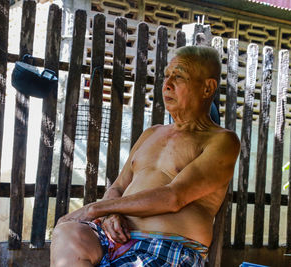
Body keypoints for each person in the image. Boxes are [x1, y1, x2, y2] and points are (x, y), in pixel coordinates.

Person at [50, 45, 240, 267]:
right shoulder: (151, 134)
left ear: (208, 88)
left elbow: (173, 197)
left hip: (166, 246)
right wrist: (111, 215)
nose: (167, 85)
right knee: (68, 232)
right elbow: (118, 187)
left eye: (178, 77)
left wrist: (97, 209)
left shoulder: (222, 141)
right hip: (110, 239)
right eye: (166, 76)